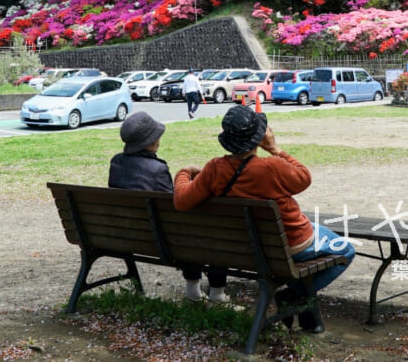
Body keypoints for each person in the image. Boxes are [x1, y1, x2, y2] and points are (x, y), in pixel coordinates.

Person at [174, 105, 354, 331]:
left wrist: (184, 172)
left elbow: (181, 200)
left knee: (314, 228)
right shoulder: (273, 167)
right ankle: (296, 294)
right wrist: (275, 148)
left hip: (246, 248)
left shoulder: (214, 169)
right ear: (258, 138)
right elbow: (304, 178)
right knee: (346, 250)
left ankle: (300, 296)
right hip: (292, 245)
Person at [108, 111, 229, 304]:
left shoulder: (116, 162)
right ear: (149, 143)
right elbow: (175, 206)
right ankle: (216, 293)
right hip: (163, 240)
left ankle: (193, 290)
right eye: (156, 138)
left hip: (127, 234)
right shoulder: (157, 169)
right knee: (203, 230)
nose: (159, 141)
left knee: (186, 230)